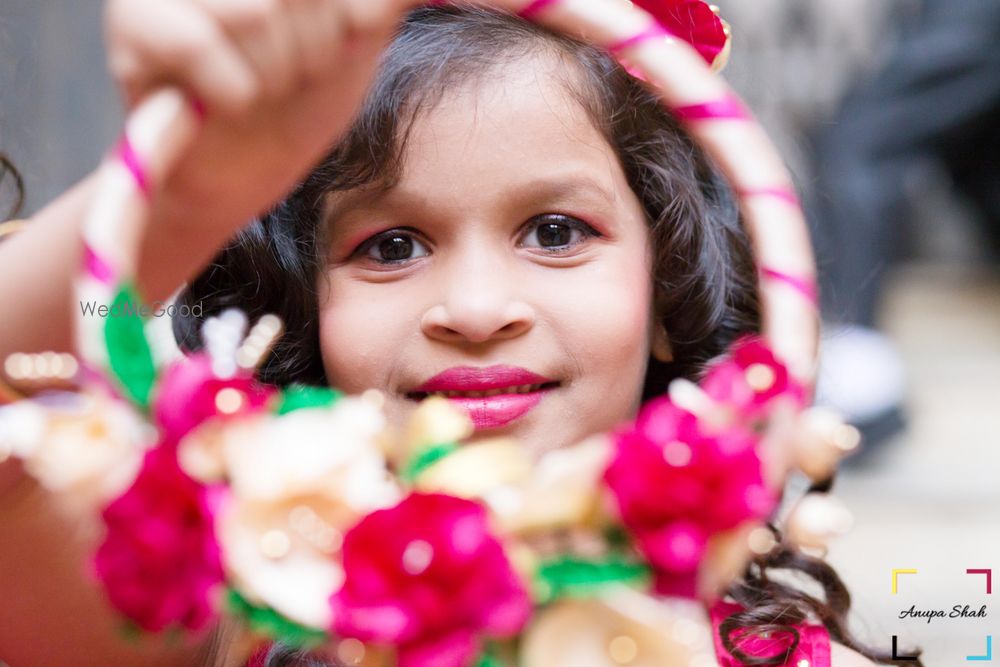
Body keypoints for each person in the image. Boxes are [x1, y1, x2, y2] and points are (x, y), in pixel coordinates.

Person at [0, 2, 914, 666]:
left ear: (670, 289)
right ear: (303, 307)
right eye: (391, 246)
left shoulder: (779, 655)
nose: (476, 311)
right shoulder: (218, 624)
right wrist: (188, 199)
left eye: (556, 232)